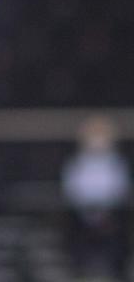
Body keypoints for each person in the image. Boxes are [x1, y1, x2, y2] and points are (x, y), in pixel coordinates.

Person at [62, 114, 130, 279]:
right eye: (94, 136)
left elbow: (121, 190)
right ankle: (80, 272)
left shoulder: (117, 163)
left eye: (101, 137)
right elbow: (72, 191)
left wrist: (106, 212)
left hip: (111, 218)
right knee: (76, 239)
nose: (97, 142)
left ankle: (116, 273)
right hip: (82, 219)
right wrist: (89, 210)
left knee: (117, 239)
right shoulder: (77, 164)